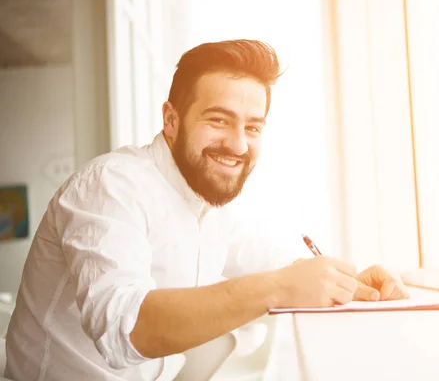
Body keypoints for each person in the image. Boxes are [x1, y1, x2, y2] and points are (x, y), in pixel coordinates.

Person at [4, 40, 409, 380]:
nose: (237, 145)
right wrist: (280, 286)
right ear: (171, 120)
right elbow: (125, 330)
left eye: (252, 127)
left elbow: (275, 262)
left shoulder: (207, 210)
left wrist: (353, 282)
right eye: (219, 120)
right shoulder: (112, 185)